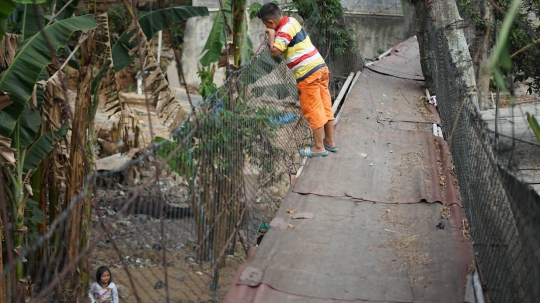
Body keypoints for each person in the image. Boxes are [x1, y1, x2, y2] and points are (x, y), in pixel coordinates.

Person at [259, 3, 338, 158]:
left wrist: (270, 35)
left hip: (308, 74)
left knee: (313, 110)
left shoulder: (282, 32)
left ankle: (319, 147)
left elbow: (275, 51)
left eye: (267, 25)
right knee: (325, 106)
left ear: (270, 23)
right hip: (320, 67)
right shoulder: (292, 21)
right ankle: (330, 142)